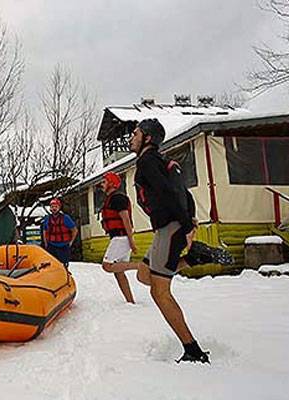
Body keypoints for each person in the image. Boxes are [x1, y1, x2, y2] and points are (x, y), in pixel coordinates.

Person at [129, 118, 213, 364]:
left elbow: (168, 194)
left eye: (135, 133)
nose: (131, 137)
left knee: (159, 292)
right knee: (144, 275)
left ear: (148, 137)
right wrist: (192, 219)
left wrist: (187, 227)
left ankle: (192, 350)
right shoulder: (159, 160)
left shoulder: (147, 161)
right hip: (168, 228)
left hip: (171, 228)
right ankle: (193, 258)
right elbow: (183, 193)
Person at [99, 171, 138, 304]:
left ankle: (141, 266)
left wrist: (131, 241)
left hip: (121, 237)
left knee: (107, 266)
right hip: (119, 237)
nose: (101, 184)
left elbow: (126, 220)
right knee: (119, 272)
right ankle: (130, 301)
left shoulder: (118, 198)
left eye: (104, 181)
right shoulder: (111, 199)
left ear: (111, 183)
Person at [41, 198, 77, 267]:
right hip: (51, 246)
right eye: (52, 207)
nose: (54, 208)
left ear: (59, 207)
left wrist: (71, 242)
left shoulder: (66, 218)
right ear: (50, 208)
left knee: (63, 265)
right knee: (52, 265)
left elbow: (74, 230)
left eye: (56, 206)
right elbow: (44, 231)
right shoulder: (47, 219)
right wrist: (46, 243)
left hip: (64, 246)